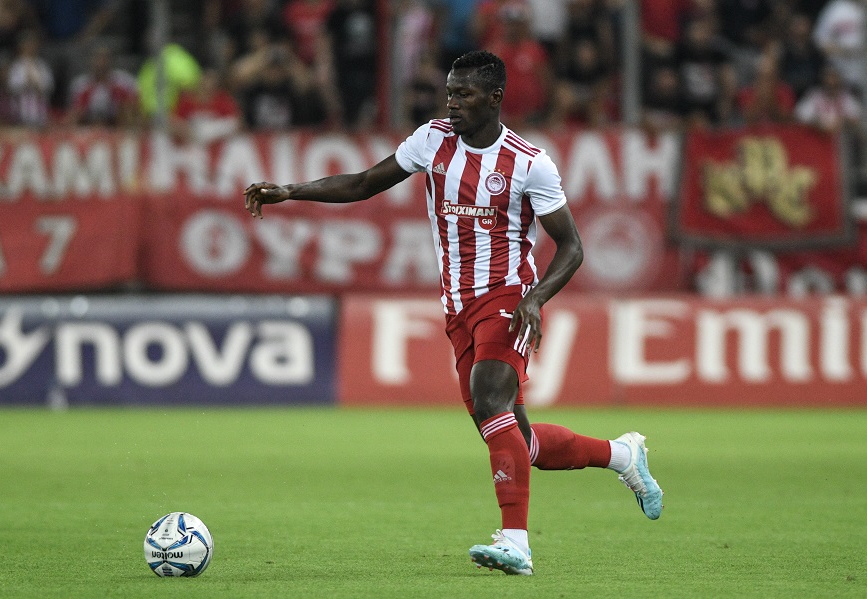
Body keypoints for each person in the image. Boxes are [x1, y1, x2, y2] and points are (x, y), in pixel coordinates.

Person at [242, 50, 664, 576]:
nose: (452, 103)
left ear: (494, 98)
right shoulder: (432, 140)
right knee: (519, 440)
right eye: (449, 93)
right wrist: (291, 191)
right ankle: (622, 455)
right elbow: (364, 183)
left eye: (464, 94)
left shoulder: (530, 163)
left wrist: (535, 298)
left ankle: (516, 543)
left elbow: (572, 247)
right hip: (457, 307)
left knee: (490, 401)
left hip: (508, 298)